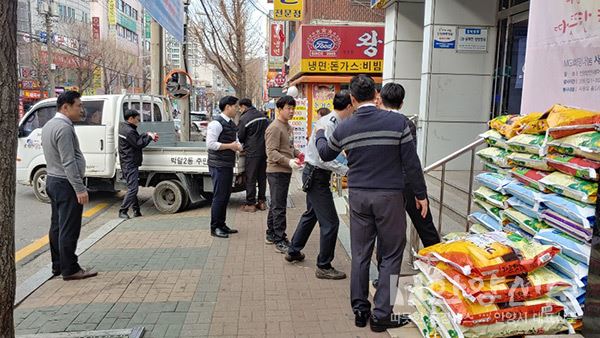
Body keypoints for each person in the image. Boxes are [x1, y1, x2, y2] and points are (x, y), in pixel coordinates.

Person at [315, 75, 428, 332]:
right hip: (390, 197)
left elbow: (324, 153)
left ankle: (359, 309)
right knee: (390, 254)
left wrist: (321, 133)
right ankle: (381, 315)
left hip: (359, 197)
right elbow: (412, 164)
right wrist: (421, 195)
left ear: (352, 99)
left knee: (361, 253)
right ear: (376, 94)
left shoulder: (345, 127)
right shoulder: (399, 122)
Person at [371, 82, 441, 287]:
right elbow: (411, 161)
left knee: (386, 232)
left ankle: (382, 278)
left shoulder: (374, 122)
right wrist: (421, 193)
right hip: (407, 185)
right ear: (401, 103)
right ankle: (438, 269)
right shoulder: (405, 123)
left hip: (384, 185)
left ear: (380, 99)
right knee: (425, 226)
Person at [285, 91, 354, 280]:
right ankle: (323, 265)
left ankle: (293, 250)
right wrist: (345, 170)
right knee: (331, 222)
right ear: (349, 106)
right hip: (317, 174)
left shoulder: (333, 122)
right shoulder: (329, 125)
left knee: (311, 214)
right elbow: (325, 158)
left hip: (316, 173)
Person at [41, 91, 98, 281]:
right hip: (65, 183)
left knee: (57, 226)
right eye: (78, 106)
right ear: (65, 107)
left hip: (53, 180)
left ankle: (58, 266)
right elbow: (68, 162)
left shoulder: (49, 125)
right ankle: (70, 269)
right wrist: (80, 188)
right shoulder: (64, 128)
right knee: (69, 228)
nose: (81, 110)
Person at [265, 95, 303, 253]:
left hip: (284, 170)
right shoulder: (274, 127)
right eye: (288, 108)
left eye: (293, 108)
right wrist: (288, 162)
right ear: (279, 109)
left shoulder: (287, 126)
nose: (292, 111)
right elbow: (271, 152)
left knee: (276, 204)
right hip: (276, 171)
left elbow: (289, 147)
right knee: (280, 206)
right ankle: (280, 239)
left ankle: (271, 233)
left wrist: (299, 154)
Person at [207, 96, 243, 238]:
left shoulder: (231, 123)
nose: (237, 109)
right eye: (235, 106)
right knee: (219, 197)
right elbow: (210, 144)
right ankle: (215, 227)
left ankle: (222, 224)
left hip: (227, 164)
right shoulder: (216, 123)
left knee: (225, 195)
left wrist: (238, 146)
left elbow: (235, 141)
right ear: (227, 107)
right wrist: (231, 146)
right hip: (218, 165)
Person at [118, 109, 159, 219]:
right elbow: (138, 143)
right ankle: (123, 211)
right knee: (133, 189)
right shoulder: (129, 131)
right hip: (130, 162)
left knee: (132, 188)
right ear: (131, 118)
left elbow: (135, 139)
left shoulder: (124, 127)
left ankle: (136, 210)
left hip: (126, 162)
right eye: (137, 119)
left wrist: (146, 134)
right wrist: (149, 137)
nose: (139, 121)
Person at [238, 98, 269, 212]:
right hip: (264, 151)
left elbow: (240, 136)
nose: (240, 110)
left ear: (244, 106)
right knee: (262, 177)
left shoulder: (244, 118)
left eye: (240, 108)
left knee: (250, 177)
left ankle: (250, 203)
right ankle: (262, 202)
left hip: (252, 152)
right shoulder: (263, 116)